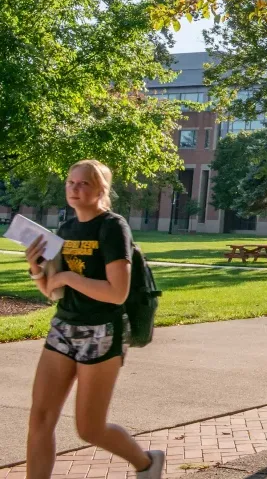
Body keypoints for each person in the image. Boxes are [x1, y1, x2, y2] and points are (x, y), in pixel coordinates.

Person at [24, 160, 165, 479]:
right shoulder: (65, 229)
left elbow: (117, 292)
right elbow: (51, 289)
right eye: (70, 183)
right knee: (40, 418)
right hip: (63, 328)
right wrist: (36, 269)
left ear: (101, 188)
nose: (74, 189)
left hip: (102, 332)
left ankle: (147, 462)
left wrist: (69, 277)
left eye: (83, 183)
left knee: (89, 428)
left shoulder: (113, 227)